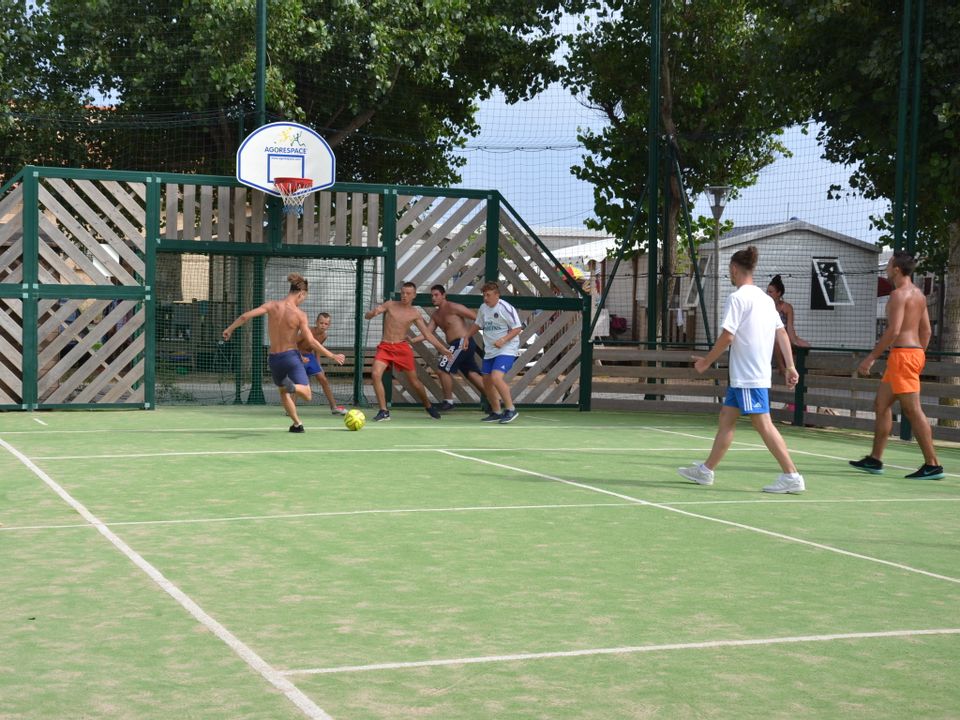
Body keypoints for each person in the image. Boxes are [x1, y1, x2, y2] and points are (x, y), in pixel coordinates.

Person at [677, 246, 806, 493]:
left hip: (749, 376)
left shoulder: (737, 298)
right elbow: (781, 333)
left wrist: (705, 362)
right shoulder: (766, 300)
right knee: (726, 419)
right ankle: (706, 471)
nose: (730, 274)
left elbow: (727, 337)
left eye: (730, 271)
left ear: (735, 269)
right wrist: (790, 365)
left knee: (764, 424)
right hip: (744, 376)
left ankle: (792, 475)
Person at [849, 251, 944, 480]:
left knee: (913, 410)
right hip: (909, 355)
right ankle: (875, 459)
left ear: (897, 270)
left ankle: (932, 464)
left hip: (903, 357)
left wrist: (871, 357)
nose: (886, 267)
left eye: (889, 264)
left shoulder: (898, 295)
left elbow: (894, 331)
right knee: (881, 405)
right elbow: (927, 331)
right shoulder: (919, 295)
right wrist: (918, 355)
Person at [222, 273, 345, 433]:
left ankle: (297, 424)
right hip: (291, 357)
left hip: (274, 359)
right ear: (301, 294)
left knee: (283, 391)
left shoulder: (272, 305)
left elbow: (245, 316)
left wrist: (229, 329)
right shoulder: (300, 314)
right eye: (304, 297)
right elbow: (311, 341)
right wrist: (332, 355)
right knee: (306, 394)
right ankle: (293, 388)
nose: (303, 300)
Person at [364, 282, 453, 422]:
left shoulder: (415, 313)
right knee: (375, 374)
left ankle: (428, 406)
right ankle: (383, 411)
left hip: (402, 348)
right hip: (385, 346)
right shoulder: (390, 304)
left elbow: (428, 334)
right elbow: (368, 316)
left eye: (408, 293)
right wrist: (372, 313)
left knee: (414, 381)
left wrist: (442, 348)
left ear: (414, 295)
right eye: (403, 292)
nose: (404, 296)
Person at [409, 284, 486, 412]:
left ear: (444, 295)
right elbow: (427, 334)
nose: (433, 298)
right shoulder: (436, 315)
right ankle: (496, 401)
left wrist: (468, 335)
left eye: (436, 295)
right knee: (472, 374)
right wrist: (411, 341)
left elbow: (478, 319)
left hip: (462, 343)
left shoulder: (454, 307)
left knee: (442, 369)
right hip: (455, 345)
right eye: (432, 295)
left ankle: (448, 402)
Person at [463, 281, 523, 424]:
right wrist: (466, 337)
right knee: (487, 381)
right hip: (490, 350)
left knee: (496, 377)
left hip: (507, 349)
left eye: (488, 295)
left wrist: (503, 340)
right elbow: (477, 324)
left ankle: (510, 409)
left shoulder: (505, 308)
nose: (485, 298)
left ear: (497, 295)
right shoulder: (483, 308)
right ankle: (496, 411)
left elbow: (517, 328)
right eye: (484, 295)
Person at [297, 312, 347, 415]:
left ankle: (334, 407)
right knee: (299, 381)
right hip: (297, 355)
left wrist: (318, 365)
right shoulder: (307, 332)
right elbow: (292, 343)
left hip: (310, 357)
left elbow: (318, 349)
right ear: (316, 322)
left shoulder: (324, 336)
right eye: (321, 323)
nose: (323, 326)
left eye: (326, 324)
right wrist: (300, 357)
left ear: (329, 325)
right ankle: (290, 408)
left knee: (323, 379)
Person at [766, 274, 810, 376]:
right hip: (770, 337)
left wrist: (794, 341)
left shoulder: (787, 307)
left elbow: (790, 327)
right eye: (767, 291)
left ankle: (799, 371)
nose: (767, 294)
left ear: (779, 293)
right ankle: (782, 368)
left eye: (770, 291)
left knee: (805, 345)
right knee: (777, 341)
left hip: (785, 335)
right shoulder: (765, 307)